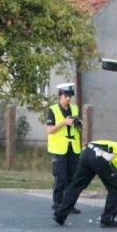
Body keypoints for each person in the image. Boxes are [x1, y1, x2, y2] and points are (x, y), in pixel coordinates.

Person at [53, 140, 117, 228]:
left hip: (88, 151)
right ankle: (107, 219)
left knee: (77, 185)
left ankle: (60, 214)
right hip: (100, 156)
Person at [46, 83, 82, 214]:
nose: (68, 99)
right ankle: (57, 204)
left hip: (73, 147)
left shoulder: (74, 108)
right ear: (60, 96)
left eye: (70, 96)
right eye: (66, 96)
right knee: (60, 177)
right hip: (59, 148)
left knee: (72, 177)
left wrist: (78, 123)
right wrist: (63, 122)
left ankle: (69, 205)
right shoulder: (53, 110)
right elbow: (49, 130)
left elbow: (77, 126)